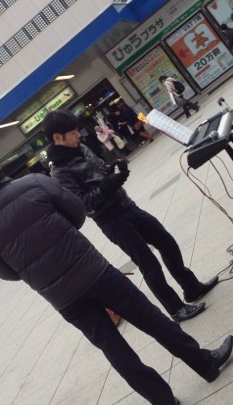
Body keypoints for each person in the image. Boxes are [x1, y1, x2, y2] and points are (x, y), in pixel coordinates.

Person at [0, 148, 233, 405]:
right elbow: (77, 213)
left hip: (63, 298)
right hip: (94, 271)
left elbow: (7, 273)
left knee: (115, 350)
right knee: (151, 319)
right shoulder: (34, 183)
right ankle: (205, 365)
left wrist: (33, 269)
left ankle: (166, 404)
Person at [43, 110, 218, 322]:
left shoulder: (80, 148)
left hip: (127, 205)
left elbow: (101, 169)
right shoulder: (59, 172)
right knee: (148, 264)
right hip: (112, 220)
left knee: (166, 242)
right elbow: (84, 204)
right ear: (57, 137)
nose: (79, 135)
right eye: (72, 133)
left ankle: (191, 288)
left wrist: (115, 168)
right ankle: (176, 309)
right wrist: (109, 184)